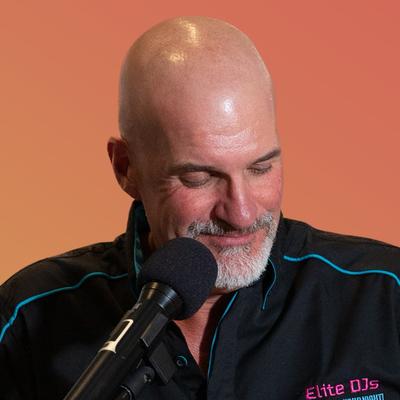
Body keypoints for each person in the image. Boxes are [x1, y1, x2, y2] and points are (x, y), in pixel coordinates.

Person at [0, 16, 399, 400]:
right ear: (126, 168)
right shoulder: (26, 320)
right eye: (200, 178)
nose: (242, 214)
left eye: (260, 168)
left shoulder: (384, 293)